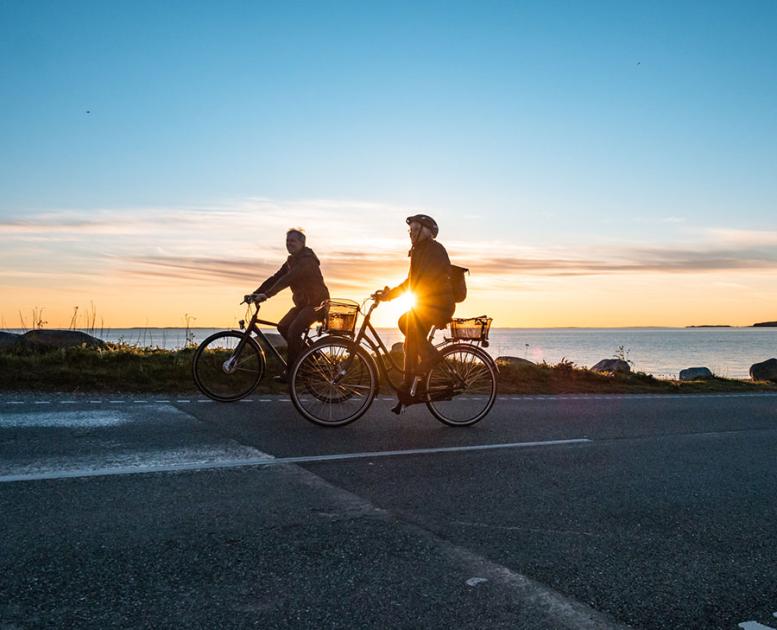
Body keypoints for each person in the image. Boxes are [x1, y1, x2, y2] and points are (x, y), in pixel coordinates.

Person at [378, 214, 455, 412]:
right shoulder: (419, 251)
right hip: (426, 304)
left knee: (406, 323)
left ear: (427, 232)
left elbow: (425, 281)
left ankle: (431, 358)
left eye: (415, 229)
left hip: (438, 304)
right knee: (409, 339)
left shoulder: (435, 250)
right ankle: (409, 387)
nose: (411, 233)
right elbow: (409, 282)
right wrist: (388, 296)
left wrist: (401, 296)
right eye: (410, 230)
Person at [245, 228, 329, 382]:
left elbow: (288, 279)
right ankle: (310, 358)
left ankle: (292, 373)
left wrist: (267, 295)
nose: (289, 244)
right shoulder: (291, 261)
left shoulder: (306, 260)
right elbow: (276, 278)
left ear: (302, 243)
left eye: (293, 241)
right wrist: (256, 293)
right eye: (287, 241)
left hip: (317, 304)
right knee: (283, 326)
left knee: (294, 330)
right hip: (303, 304)